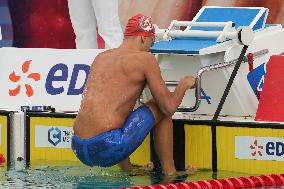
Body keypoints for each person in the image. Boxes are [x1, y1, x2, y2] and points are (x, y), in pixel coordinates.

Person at [71, 14, 196, 176]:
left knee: (121, 110)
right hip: (108, 147)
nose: (151, 46)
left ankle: (127, 171)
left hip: (79, 147)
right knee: (160, 106)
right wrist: (183, 85)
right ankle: (170, 173)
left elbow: (113, 113)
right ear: (143, 38)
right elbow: (169, 107)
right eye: (151, 41)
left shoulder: (101, 57)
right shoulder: (145, 59)